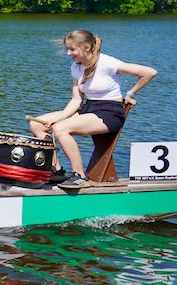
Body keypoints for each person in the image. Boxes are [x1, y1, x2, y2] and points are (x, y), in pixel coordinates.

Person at [28, 29, 158, 189]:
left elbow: (149, 73)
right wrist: (60, 117)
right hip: (88, 109)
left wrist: (130, 94)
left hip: (109, 113)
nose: (68, 53)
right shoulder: (76, 67)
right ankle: (56, 171)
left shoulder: (107, 62)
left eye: (72, 49)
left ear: (87, 47)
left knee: (60, 128)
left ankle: (79, 176)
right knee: (36, 124)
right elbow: (76, 100)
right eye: (67, 48)